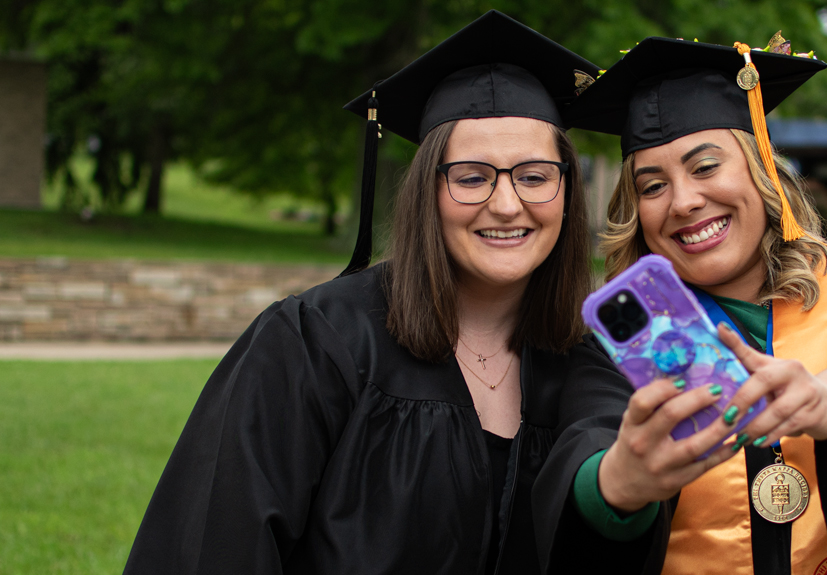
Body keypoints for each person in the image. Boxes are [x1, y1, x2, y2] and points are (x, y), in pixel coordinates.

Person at [122, 11, 647, 574]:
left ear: (567, 192)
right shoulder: (314, 344)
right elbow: (214, 547)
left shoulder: (587, 365)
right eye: (471, 177)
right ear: (428, 190)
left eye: (535, 176)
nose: (506, 203)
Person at [561, 35, 827, 575]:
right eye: (653, 184)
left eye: (705, 166)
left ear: (763, 173)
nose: (683, 201)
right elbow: (588, 451)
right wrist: (618, 483)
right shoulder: (618, 347)